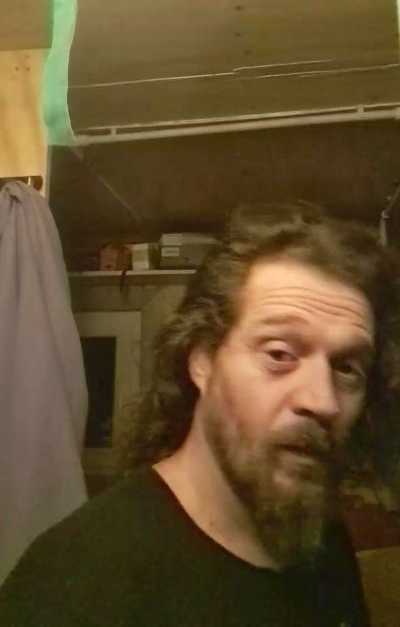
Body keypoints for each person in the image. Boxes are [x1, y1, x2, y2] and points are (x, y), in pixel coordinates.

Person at [1, 204, 400, 626]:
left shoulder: (321, 542)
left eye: (346, 368)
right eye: (280, 354)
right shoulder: (76, 584)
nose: (323, 401)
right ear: (202, 360)